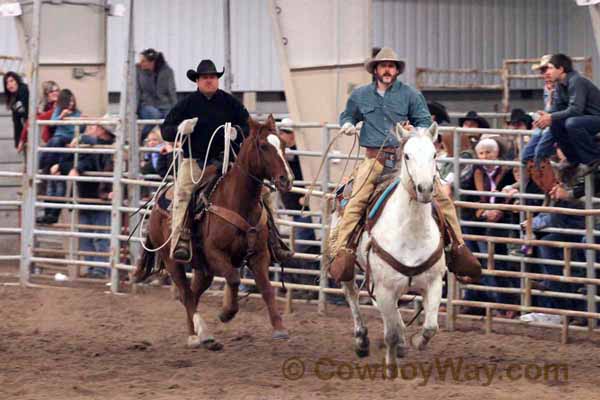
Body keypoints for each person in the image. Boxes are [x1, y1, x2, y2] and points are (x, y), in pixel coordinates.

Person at [329, 47, 480, 283]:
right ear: (376, 70)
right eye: (383, 66)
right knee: (355, 203)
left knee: (442, 200)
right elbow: (348, 114)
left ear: (397, 70)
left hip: (406, 160)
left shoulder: (411, 94)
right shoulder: (360, 95)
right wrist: (347, 123)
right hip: (374, 161)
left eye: (392, 66)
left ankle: (459, 251)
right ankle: (344, 253)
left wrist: (416, 133)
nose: (387, 70)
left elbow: (424, 122)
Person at [162, 59, 291, 263]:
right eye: (205, 77)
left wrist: (238, 132)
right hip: (196, 162)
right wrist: (179, 129)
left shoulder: (230, 102)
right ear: (197, 81)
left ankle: (274, 240)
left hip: (229, 163)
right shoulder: (186, 105)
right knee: (183, 193)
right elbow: (165, 130)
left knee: (265, 193)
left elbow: (250, 127)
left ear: (217, 80)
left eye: (212, 77)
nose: (209, 81)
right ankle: (180, 239)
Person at [58, 120, 116, 278]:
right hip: (86, 196)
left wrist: (77, 167)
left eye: (93, 127)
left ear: (102, 130)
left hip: (98, 196)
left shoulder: (106, 147)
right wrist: (68, 167)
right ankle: (93, 267)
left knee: (100, 235)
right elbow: (69, 162)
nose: (89, 130)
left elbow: (88, 161)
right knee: (87, 235)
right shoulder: (89, 146)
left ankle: (100, 269)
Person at [533, 53, 600, 176]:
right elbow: (556, 108)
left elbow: (576, 110)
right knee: (556, 123)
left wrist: (551, 116)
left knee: (572, 123)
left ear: (561, 69)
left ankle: (593, 159)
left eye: (550, 68)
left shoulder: (576, 81)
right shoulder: (560, 85)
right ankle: (573, 159)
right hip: (585, 119)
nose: (547, 72)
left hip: (595, 118)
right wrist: (545, 116)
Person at [137, 48, 177, 141]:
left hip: (164, 104)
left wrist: (176, 109)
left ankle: (167, 145)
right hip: (146, 105)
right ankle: (140, 138)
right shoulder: (138, 71)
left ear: (152, 62)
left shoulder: (167, 71)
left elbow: (172, 91)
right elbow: (137, 91)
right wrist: (134, 110)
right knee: (155, 115)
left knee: (170, 120)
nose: (140, 63)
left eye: (143, 61)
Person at [17, 80, 61, 152]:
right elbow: (31, 120)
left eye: (57, 90)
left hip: (57, 142)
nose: (55, 93)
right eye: (51, 91)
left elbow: (36, 118)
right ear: (46, 94)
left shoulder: (59, 105)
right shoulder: (43, 106)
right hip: (45, 142)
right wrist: (22, 139)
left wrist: (22, 140)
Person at [3, 71, 29, 149]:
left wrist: (20, 141)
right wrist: (18, 142)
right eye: (7, 83)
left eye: (11, 81)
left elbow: (26, 114)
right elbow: (16, 121)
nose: (9, 84)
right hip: (26, 130)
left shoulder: (23, 89)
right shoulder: (13, 97)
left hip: (33, 128)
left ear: (17, 81)